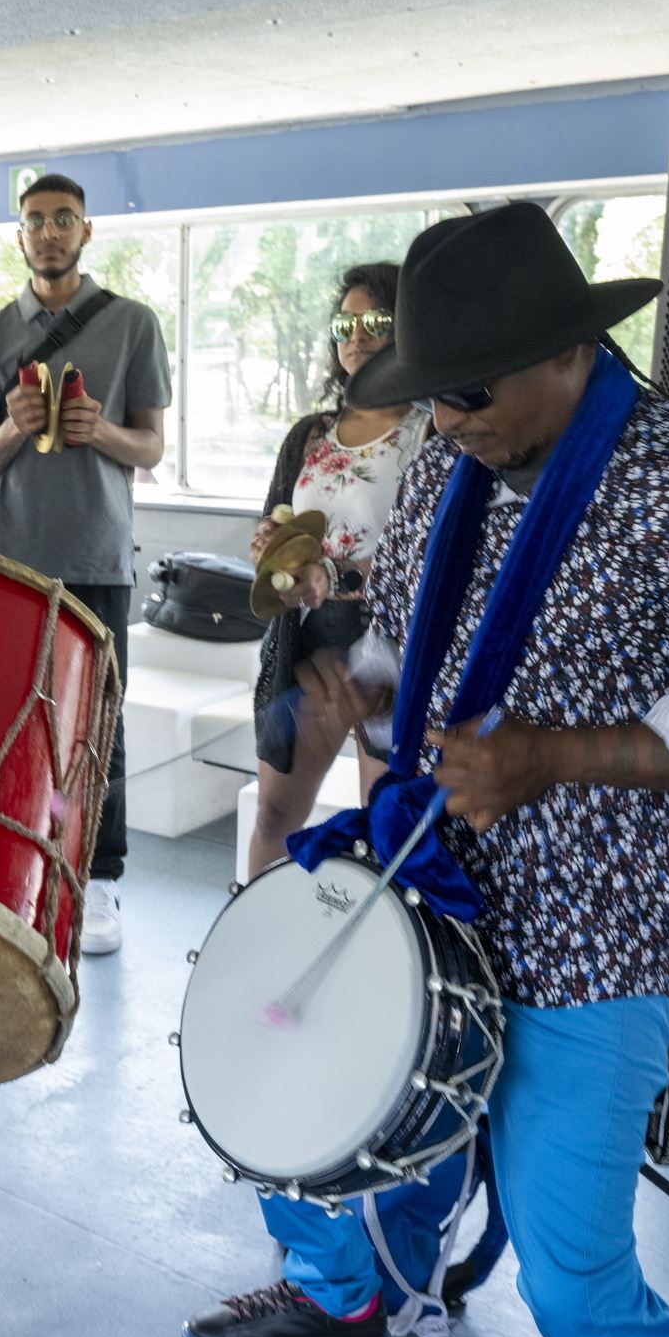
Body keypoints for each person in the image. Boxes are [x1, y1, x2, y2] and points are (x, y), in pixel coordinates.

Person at [182, 203, 669, 1337]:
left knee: (573, 1280)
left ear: (568, 348)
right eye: (430, 393)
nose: (444, 421)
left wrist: (555, 756)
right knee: (328, 1124)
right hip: (430, 898)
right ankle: (356, 1303)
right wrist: (362, 691)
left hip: (589, 942)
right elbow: (407, 633)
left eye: (469, 391)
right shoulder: (451, 466)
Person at [0, 172, 171, 956]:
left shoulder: (133, 325)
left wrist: (99, 430)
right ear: (20, 236)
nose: (49, 232)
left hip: (98, 558)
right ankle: (11, 862)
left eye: (64, 219)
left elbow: (151, 447)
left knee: (98, 721)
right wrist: (15, 429)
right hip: (10, 561)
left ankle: (99, 877)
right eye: (36, 220)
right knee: (9, 717)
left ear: (86, 231)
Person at [246, 262, 434, 880]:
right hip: (306, 637)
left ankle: (378, 941)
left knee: (386, 824)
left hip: (393, 644)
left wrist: (339, 573)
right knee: (275, 818)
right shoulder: (311, 434)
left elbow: (435, 556)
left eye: (376, 321)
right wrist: (270, 549)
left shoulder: (434, 433)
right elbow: (273, 524)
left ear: (407, 328)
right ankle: (254, 931)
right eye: (344, 324)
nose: (357, 335)